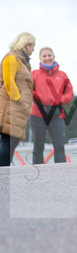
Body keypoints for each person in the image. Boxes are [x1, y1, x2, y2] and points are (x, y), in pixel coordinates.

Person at [30, 46, 74, 164]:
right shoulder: (34, 74)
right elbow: (28, 90)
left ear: (54, 57)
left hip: (57, 114)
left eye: (49, 55)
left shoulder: (62, 75)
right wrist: (40, 100)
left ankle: (61, 172)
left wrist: (61, 100)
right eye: (44, 56)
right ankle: (37, 172)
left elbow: (69, 92)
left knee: (59, 146)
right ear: (40, 58)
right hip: (37, 114)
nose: (47, 58)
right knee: (38, 146)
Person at [0, 32, 35, 166]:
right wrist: (18, 99)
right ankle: (3, 172)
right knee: (7, 141)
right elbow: (9, 81)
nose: (33, 49)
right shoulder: (12, 57)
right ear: (26, 45)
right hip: (10, 106)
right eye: (32, 45)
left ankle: (4, 170)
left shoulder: (22, 61)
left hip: (18, 109)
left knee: (12, 142)